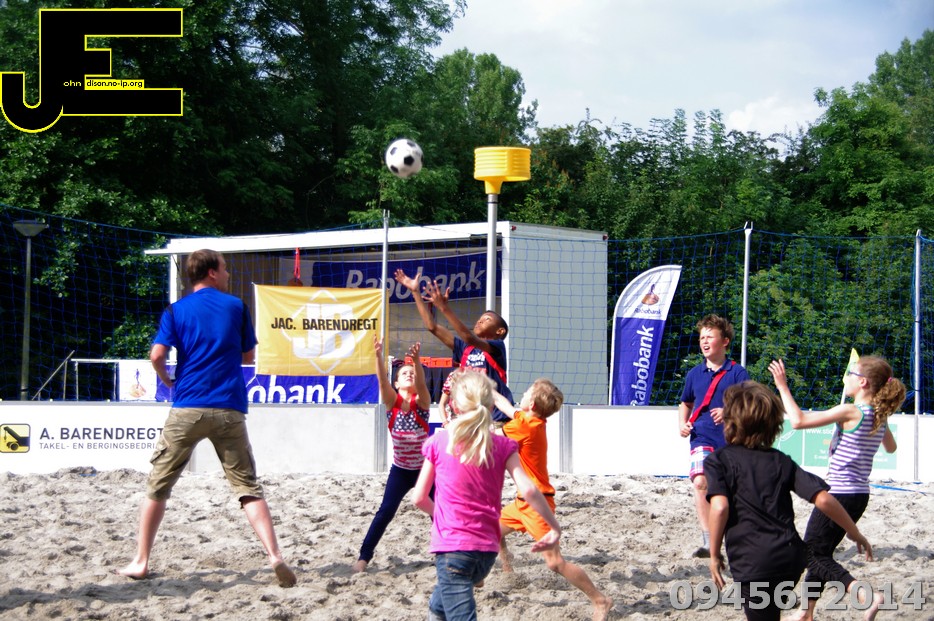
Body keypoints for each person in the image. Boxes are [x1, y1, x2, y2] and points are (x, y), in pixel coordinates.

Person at [117, 249, 296, 587]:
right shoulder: (236, 306)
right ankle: (274, 555)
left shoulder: (176, 310)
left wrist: (167, 379)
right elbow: (248, 356)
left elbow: (156, 355)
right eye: (225, 269)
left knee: (158, 486)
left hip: (188, 405)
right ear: (212, 272)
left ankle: (141, 561)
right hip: (228, 406)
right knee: (248, 488)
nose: (228, 274)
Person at [706, 381, 873, 621]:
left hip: (753, 560)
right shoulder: (781, 460)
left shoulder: (718, 460)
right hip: (790, 558)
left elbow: (720, 507)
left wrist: (713, 554)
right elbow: (823, 499)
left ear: (729, 421)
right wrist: (854, 532)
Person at [412, 371, 561, 621]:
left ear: (454, 406)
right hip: (487, 552)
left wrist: (442, 515)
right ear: (491, 407)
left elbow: (418, 498)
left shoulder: (439, 441)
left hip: (453, 548)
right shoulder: (504, 445)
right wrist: (555, 527)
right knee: (438, 607)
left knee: (457, 606)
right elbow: (529, 490)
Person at [769, 356, 904, 621]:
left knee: (809, 552)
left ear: (863, 382)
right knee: (822, 551)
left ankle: (865, 595)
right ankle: (806, 612)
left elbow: (798, 421)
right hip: (859, 495)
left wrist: (782, 386)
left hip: (840, 492)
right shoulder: (878, 415)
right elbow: (891, 447)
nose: (847, 378)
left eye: (851, 374)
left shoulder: (851, 411)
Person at [493, 380, 613, 621]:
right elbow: (504, 405)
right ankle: (508, 569)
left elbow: (488, 436)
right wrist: (487, 388)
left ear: (532, 404)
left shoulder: (525, 426)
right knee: (491, 529)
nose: (522, 394)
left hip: (537, 504)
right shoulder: (530, 420)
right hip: (522, 502)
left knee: (555, 563)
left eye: (526, 393)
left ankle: (601, 600)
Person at [352, 338, 432, 573]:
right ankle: (363, 558)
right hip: (401, 470)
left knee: (438, 513)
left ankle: (452, 554)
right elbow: (381, 381)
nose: (409, 375)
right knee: (386, 512)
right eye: (404, 373)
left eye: (412, 373)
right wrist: (378, 356)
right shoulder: (392, 403)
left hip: (426, 470)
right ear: (396, 383)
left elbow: (422, 385)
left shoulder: (422, 403)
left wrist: (416, 362)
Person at [394, 268, 513, 423]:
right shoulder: (466, 349)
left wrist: (444, 308)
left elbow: (469, 337)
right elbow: (432, 327)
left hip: (496, 419)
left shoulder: (497, 347)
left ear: (500, 331)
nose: (480, 321)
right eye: (480, 318)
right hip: (471, 418)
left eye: (487, 319)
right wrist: (415, 292)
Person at [677, 314, 749, 558]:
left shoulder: (738, 373)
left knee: (730, 492)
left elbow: (749, 404)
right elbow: (686, 403)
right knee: (700, 482)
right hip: (702, 436)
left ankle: (731, 537)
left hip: (732, 440)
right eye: (701, 338)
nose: (704, 341)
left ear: (725, 341)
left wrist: (728, 411)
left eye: (710, 337)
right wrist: (682, 424)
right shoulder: (694, 374)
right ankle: (709, 542)